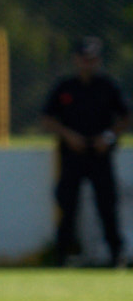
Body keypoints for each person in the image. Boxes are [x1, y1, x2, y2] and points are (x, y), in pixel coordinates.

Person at [41, 37, 128, 267]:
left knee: (107, 205)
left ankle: (116, 255)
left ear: (98, 60)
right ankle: (61, 255)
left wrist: (107, 137)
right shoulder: (65, 87)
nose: (87, 63)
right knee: (67, 205)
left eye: (92, 59)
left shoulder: (107, 86)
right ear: (76, 59)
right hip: (72, 155)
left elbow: (126, 116)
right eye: (83, 58)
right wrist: (68, 135)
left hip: (100, 155)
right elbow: (47, 118)